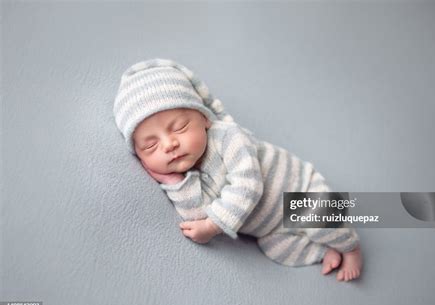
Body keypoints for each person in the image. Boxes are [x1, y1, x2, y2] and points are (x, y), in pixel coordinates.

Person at [113, 58, 363, 281]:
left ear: (205, 118)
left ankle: (351, 248)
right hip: (270, 229)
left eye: (179, 127)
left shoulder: (228, 137)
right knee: (276, 250)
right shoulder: (189, 176)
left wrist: (213, 227)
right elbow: (198, 215)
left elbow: (249, 184)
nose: (169, 144)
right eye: (151, 145)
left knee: (320, 219)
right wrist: (175, 182)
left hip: (299, 191)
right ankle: (322, 251)